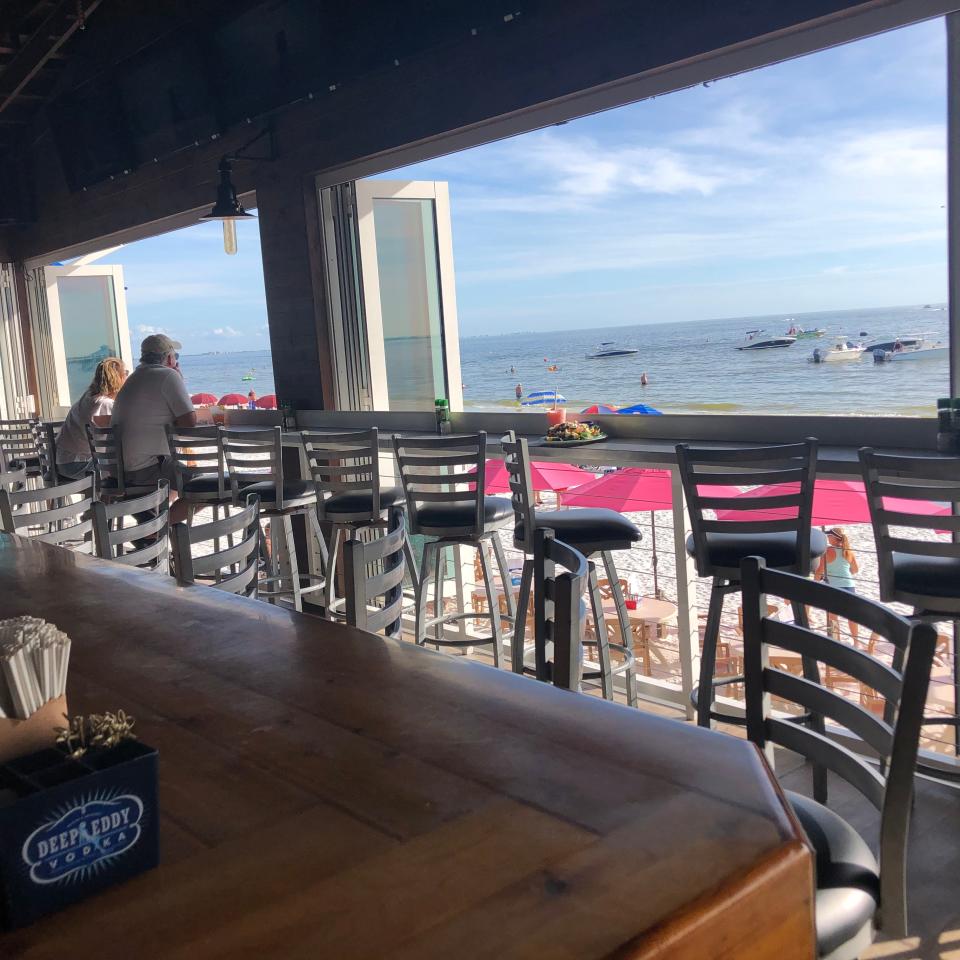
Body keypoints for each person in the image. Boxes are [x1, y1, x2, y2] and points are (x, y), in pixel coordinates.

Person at [110, 334, 196, 524]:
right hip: (146, 469)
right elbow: (190, 423)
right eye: (176, 357)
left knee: (177, 475)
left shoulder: (133, 377)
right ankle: (154, 530)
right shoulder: (168, 375)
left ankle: (154, 527)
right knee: (203, 487)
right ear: (170, 359)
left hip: (118, 469)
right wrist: (179, 378)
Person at [56, 357, 128, 478]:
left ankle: (108, 496)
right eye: (126, 373)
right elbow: (125, 431)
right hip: (77, 464)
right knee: (128, 470)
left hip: (64, 460)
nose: (127, 377)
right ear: (119, 378)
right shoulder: (104, 404)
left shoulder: (88, 397)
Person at [816, 527, 860, 641]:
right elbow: (855, 570)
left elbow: (819, 570)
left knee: (833, 616)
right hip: (849, 585)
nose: (827, 538)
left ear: (834, 538)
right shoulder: (848, 551)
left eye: (829, 536)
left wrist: (815, 583)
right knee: (852, 617)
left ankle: (836, 642)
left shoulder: (827, 551)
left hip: (834, 586)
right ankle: (856, 642)